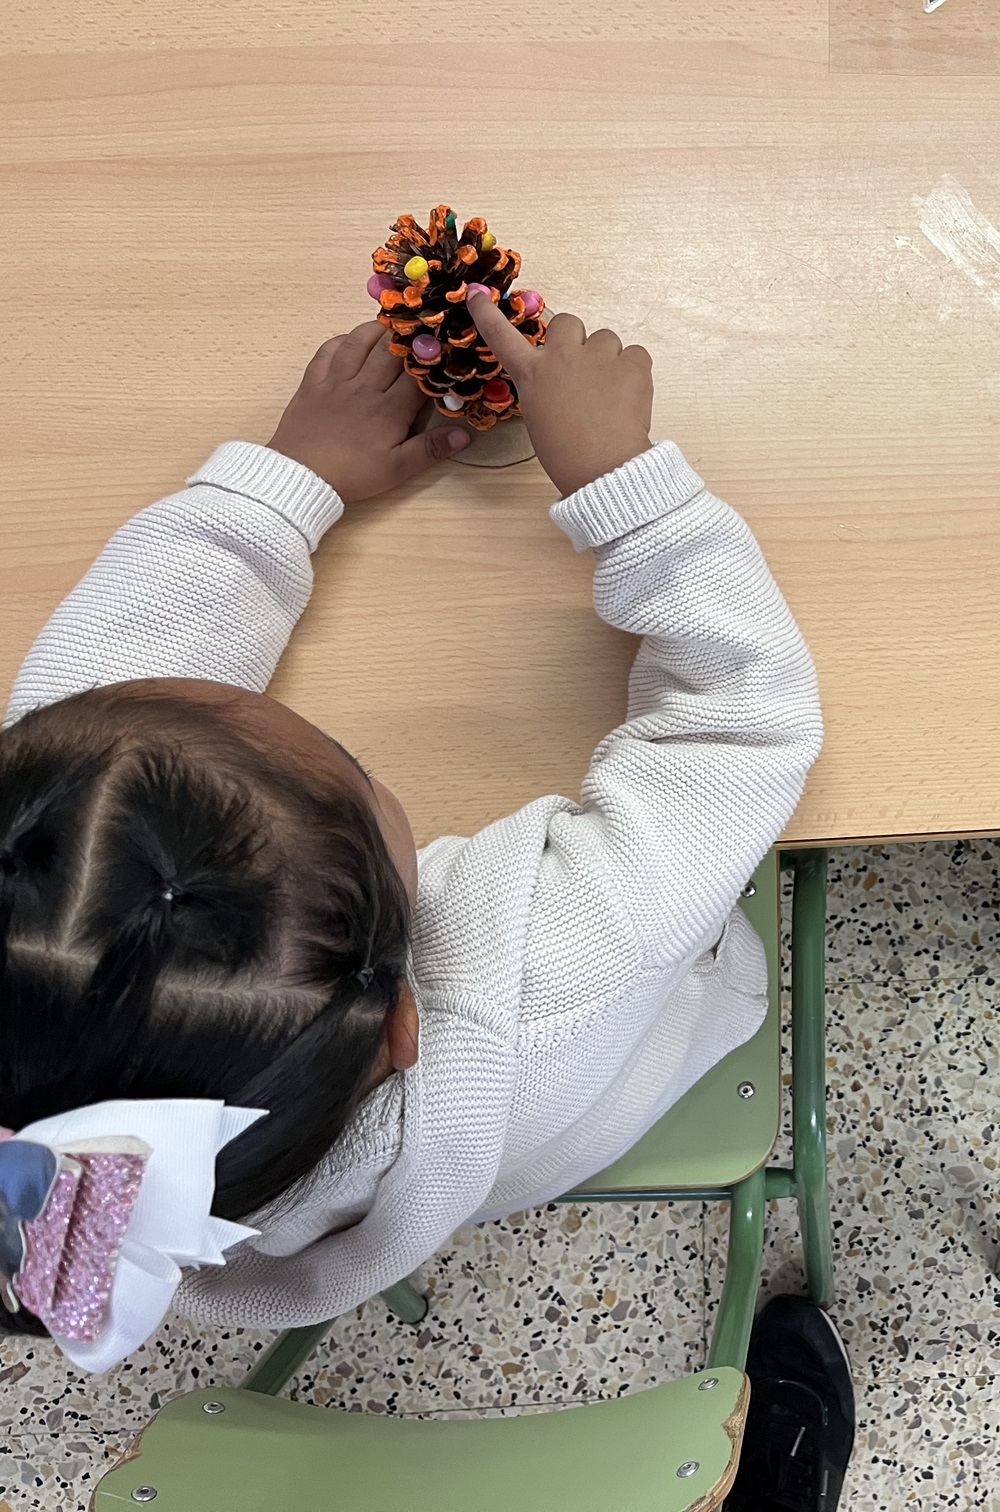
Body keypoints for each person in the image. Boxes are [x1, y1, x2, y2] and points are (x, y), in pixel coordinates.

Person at [0, 295, 830, 1397]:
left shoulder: (59, 1005)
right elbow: (739, 727)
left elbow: (103, 702)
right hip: (614, 1063)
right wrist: (631, 494)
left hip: (395, 1184)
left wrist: (292, 477)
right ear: (405, 1020)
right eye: (354, 774)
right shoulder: (550, 972)